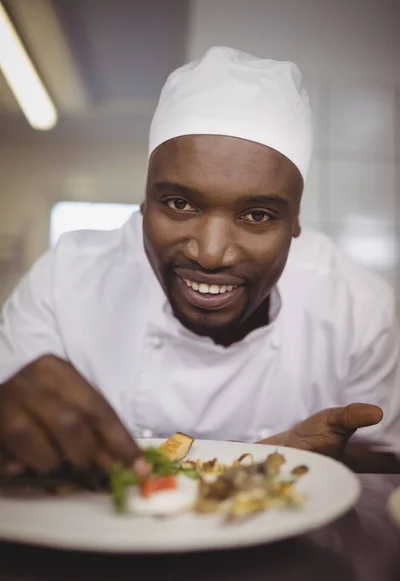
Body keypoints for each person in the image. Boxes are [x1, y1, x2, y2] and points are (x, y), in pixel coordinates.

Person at [0, 46, 399, 480]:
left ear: (295, 221)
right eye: (178, 203)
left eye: (258, 215)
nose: (209, 254)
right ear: (144, 202)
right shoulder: (66, 280)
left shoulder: (359, 308)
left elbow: (386, 466)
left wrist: (318, 467)